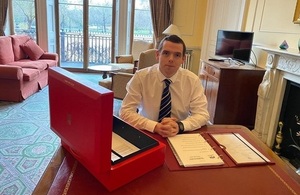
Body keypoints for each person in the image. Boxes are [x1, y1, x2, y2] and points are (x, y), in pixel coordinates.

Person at [119, 35, 209, 137]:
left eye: (177, 55)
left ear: (183, 59)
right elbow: (125, 111)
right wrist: (155, 126)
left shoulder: (192, 81)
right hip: (147, 131)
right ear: (157, 55)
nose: (171, 59)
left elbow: (202, 114)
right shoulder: (141, 77)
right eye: (166, 53)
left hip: (178, 134)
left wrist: (180, 126)